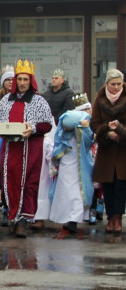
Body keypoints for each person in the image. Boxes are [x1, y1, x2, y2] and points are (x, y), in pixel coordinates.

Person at [0, 59, 55, 238]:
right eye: (19, 79)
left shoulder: (39, 101)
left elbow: (47, 125)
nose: (21, 83)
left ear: (31, 81)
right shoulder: (6, 100)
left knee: (29, 183)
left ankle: (23, 221)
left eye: (25, 80)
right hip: (10, 148)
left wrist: (33, 129)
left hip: (30, 148)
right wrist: (5, 129)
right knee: (10, 181)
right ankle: (13, 216)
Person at [48, 95, 94, 239]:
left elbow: (87, 141)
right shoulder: (71, 122)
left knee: (74, 192)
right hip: (70, 162)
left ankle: (72, 219)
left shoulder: (83, 126)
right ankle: (70, 219)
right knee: (71, 192)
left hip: (79, 163)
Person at [90, 69, 126, 233]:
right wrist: (107, 131)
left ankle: (117, 218)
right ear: (106, 84)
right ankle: (110, 217)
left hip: (123, 149)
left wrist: (118, 130)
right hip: (106, 149)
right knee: (108, 185)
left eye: (119, 84)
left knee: (121, 185)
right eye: (113, 84)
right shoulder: (100, 99)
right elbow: (94, 123)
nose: (117, 87)